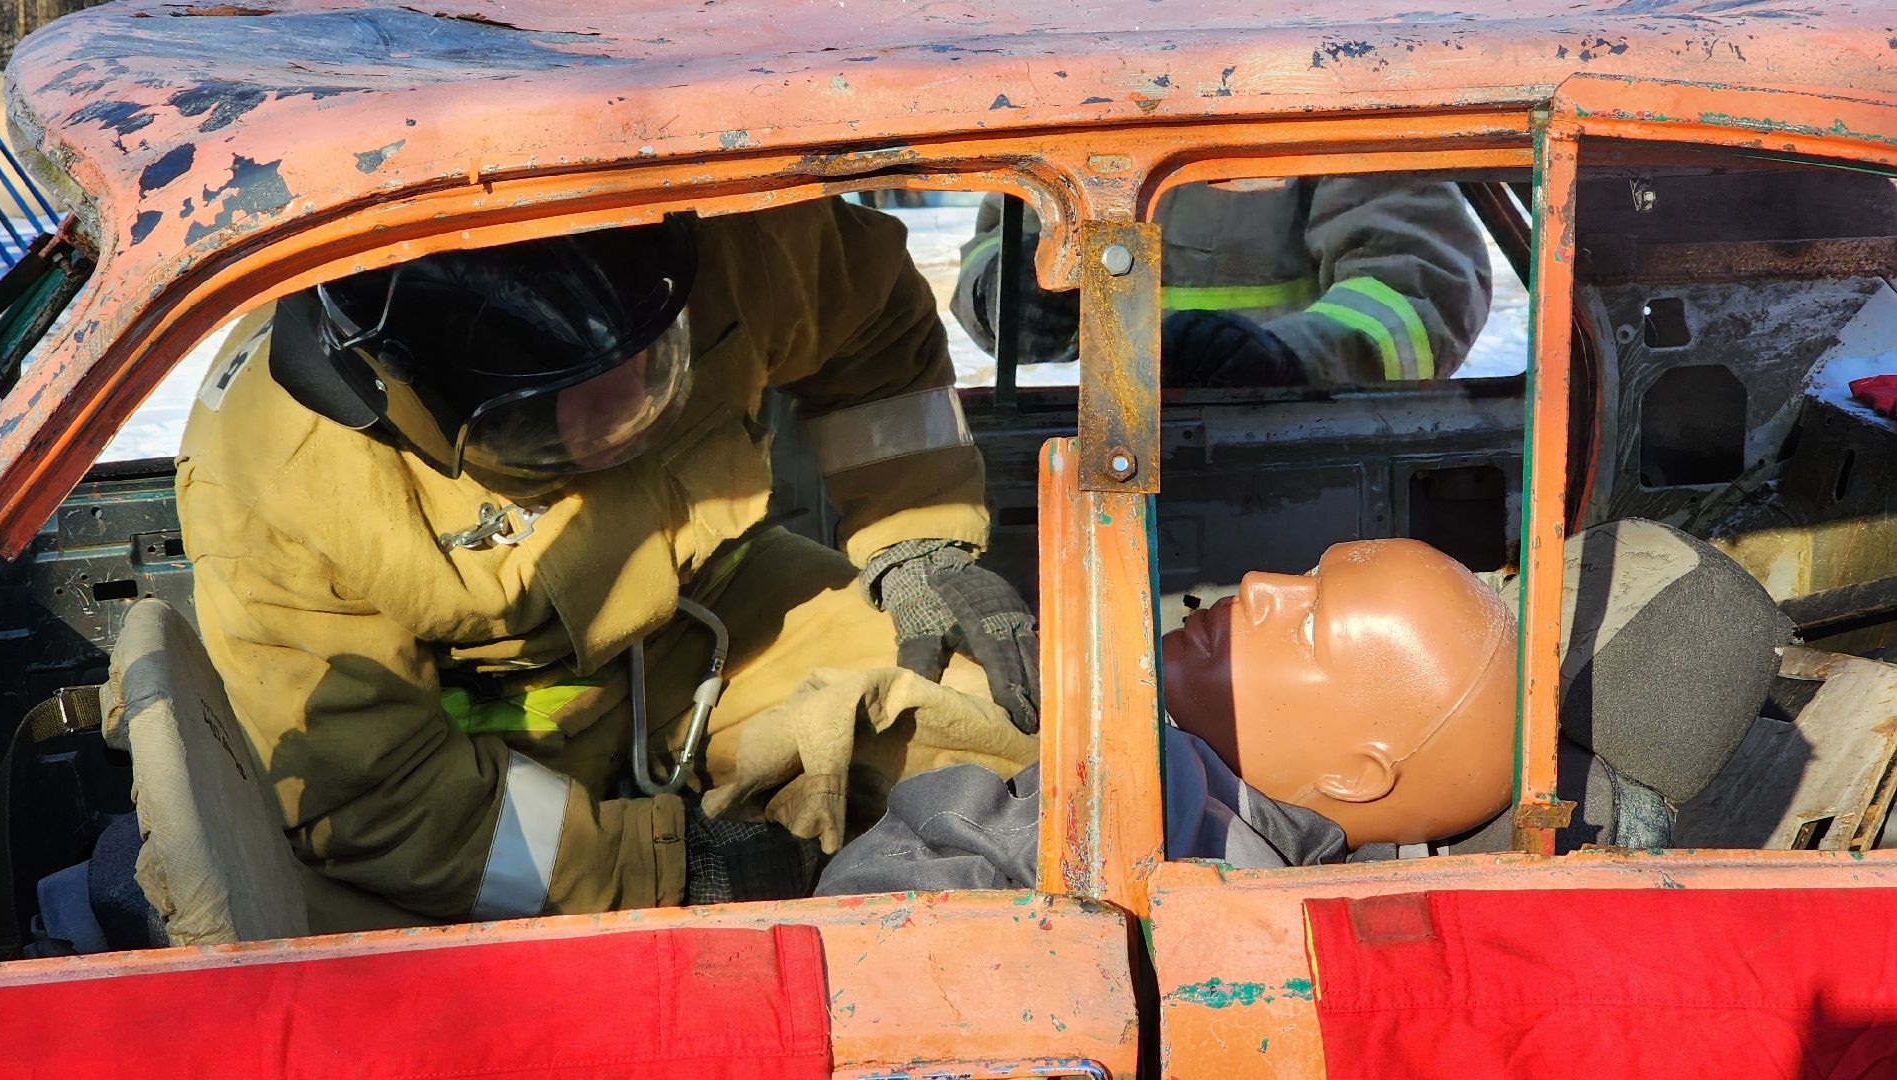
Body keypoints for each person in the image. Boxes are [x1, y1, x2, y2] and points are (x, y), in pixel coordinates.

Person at [175, 199, 1041, 923]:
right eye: (546, 422)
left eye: (651, 371)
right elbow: (378, 803)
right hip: (482, 746)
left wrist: (916, 537)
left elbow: (874, 325)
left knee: (1010, 731)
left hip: (717, 614)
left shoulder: (737, 246)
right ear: (402, 406)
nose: (621, 426)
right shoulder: (273, 477)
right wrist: (677, 870)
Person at [815, 521, 1792, 893]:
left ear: (1356, 776)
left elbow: (870, 939)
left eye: (1307, 623)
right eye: (1301, 578)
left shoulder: (1116, 827)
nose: (1253, 586)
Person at [949, 179, 1493, 386]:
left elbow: (1423, 290)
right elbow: (1001, 233)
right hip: (1112, 448)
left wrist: (1289, 360)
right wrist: (997, 293)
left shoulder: (1330, 63)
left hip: (1296, 447)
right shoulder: (1069, 72)